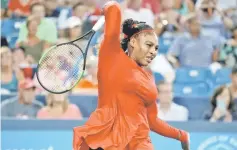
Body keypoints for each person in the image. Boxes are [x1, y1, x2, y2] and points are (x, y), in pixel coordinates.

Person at [73, 1, 190, 150]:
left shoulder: (149, 79)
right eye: (148, 45)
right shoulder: (111, 55)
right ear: (133, 41)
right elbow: (114, 9)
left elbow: (152, 121)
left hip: (138, 142)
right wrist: (107, 8)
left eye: (156, 47)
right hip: (105, 137)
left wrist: (180, 135)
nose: (153, 51)